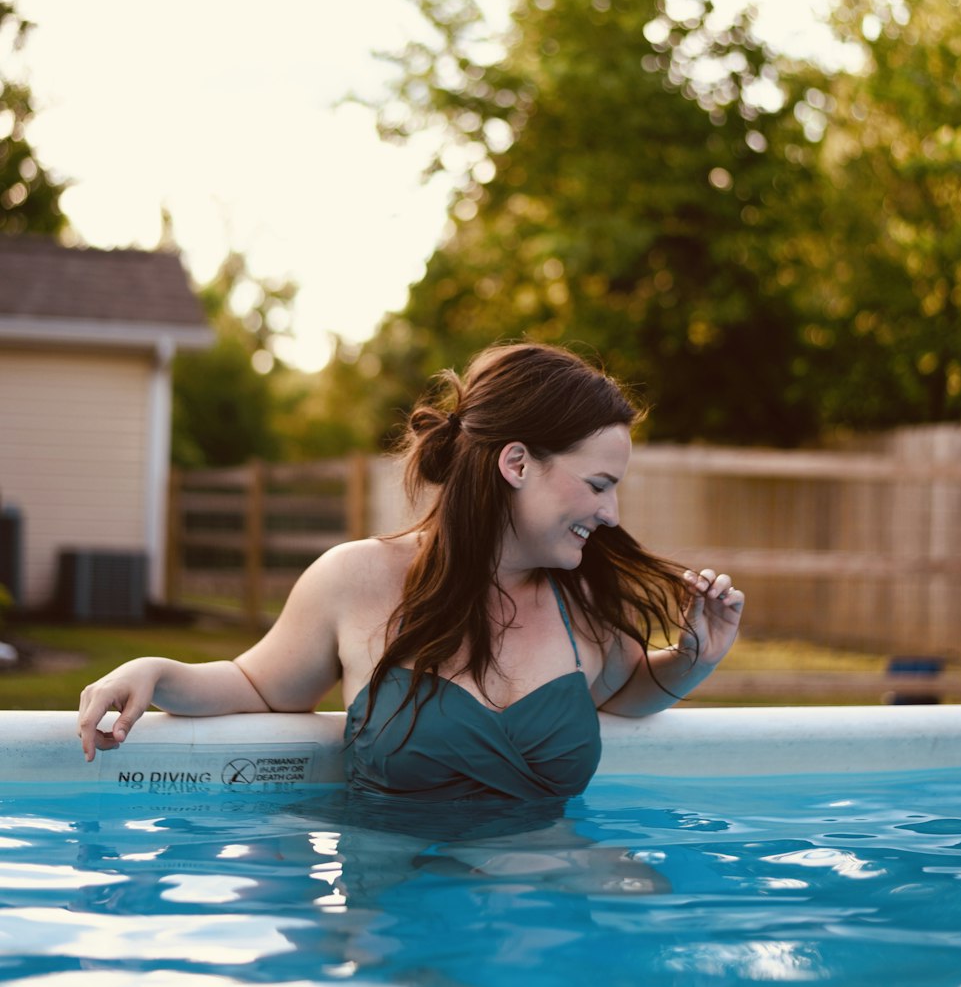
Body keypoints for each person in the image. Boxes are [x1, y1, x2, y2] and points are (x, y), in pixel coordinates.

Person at [77, 342, 744, 801]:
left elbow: (626, 690)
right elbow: (258, 684)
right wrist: (156, 673)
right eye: (598, 484)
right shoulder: (355, 580)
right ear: (516, 465)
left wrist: (693, 659)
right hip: (404, 943)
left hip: (558, 928)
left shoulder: (584, 600)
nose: (610, 511)